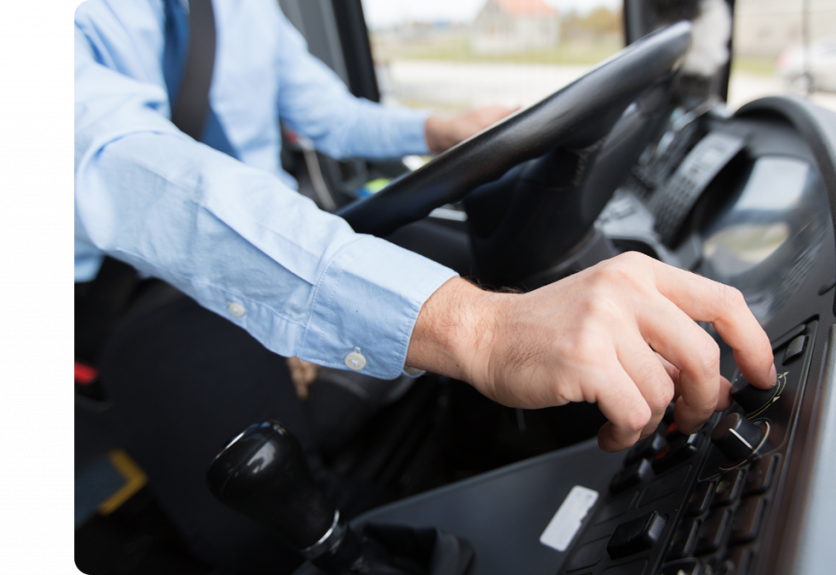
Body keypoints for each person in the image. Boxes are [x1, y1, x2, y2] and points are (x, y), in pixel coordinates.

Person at [75, 0, 776, 571]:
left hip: (287, 227)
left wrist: (443, 126)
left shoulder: (248, 11)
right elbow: (119, 163)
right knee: (253, 542)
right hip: (142, 284)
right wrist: (480, 328)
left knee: (483, 260)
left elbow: (330, 114)